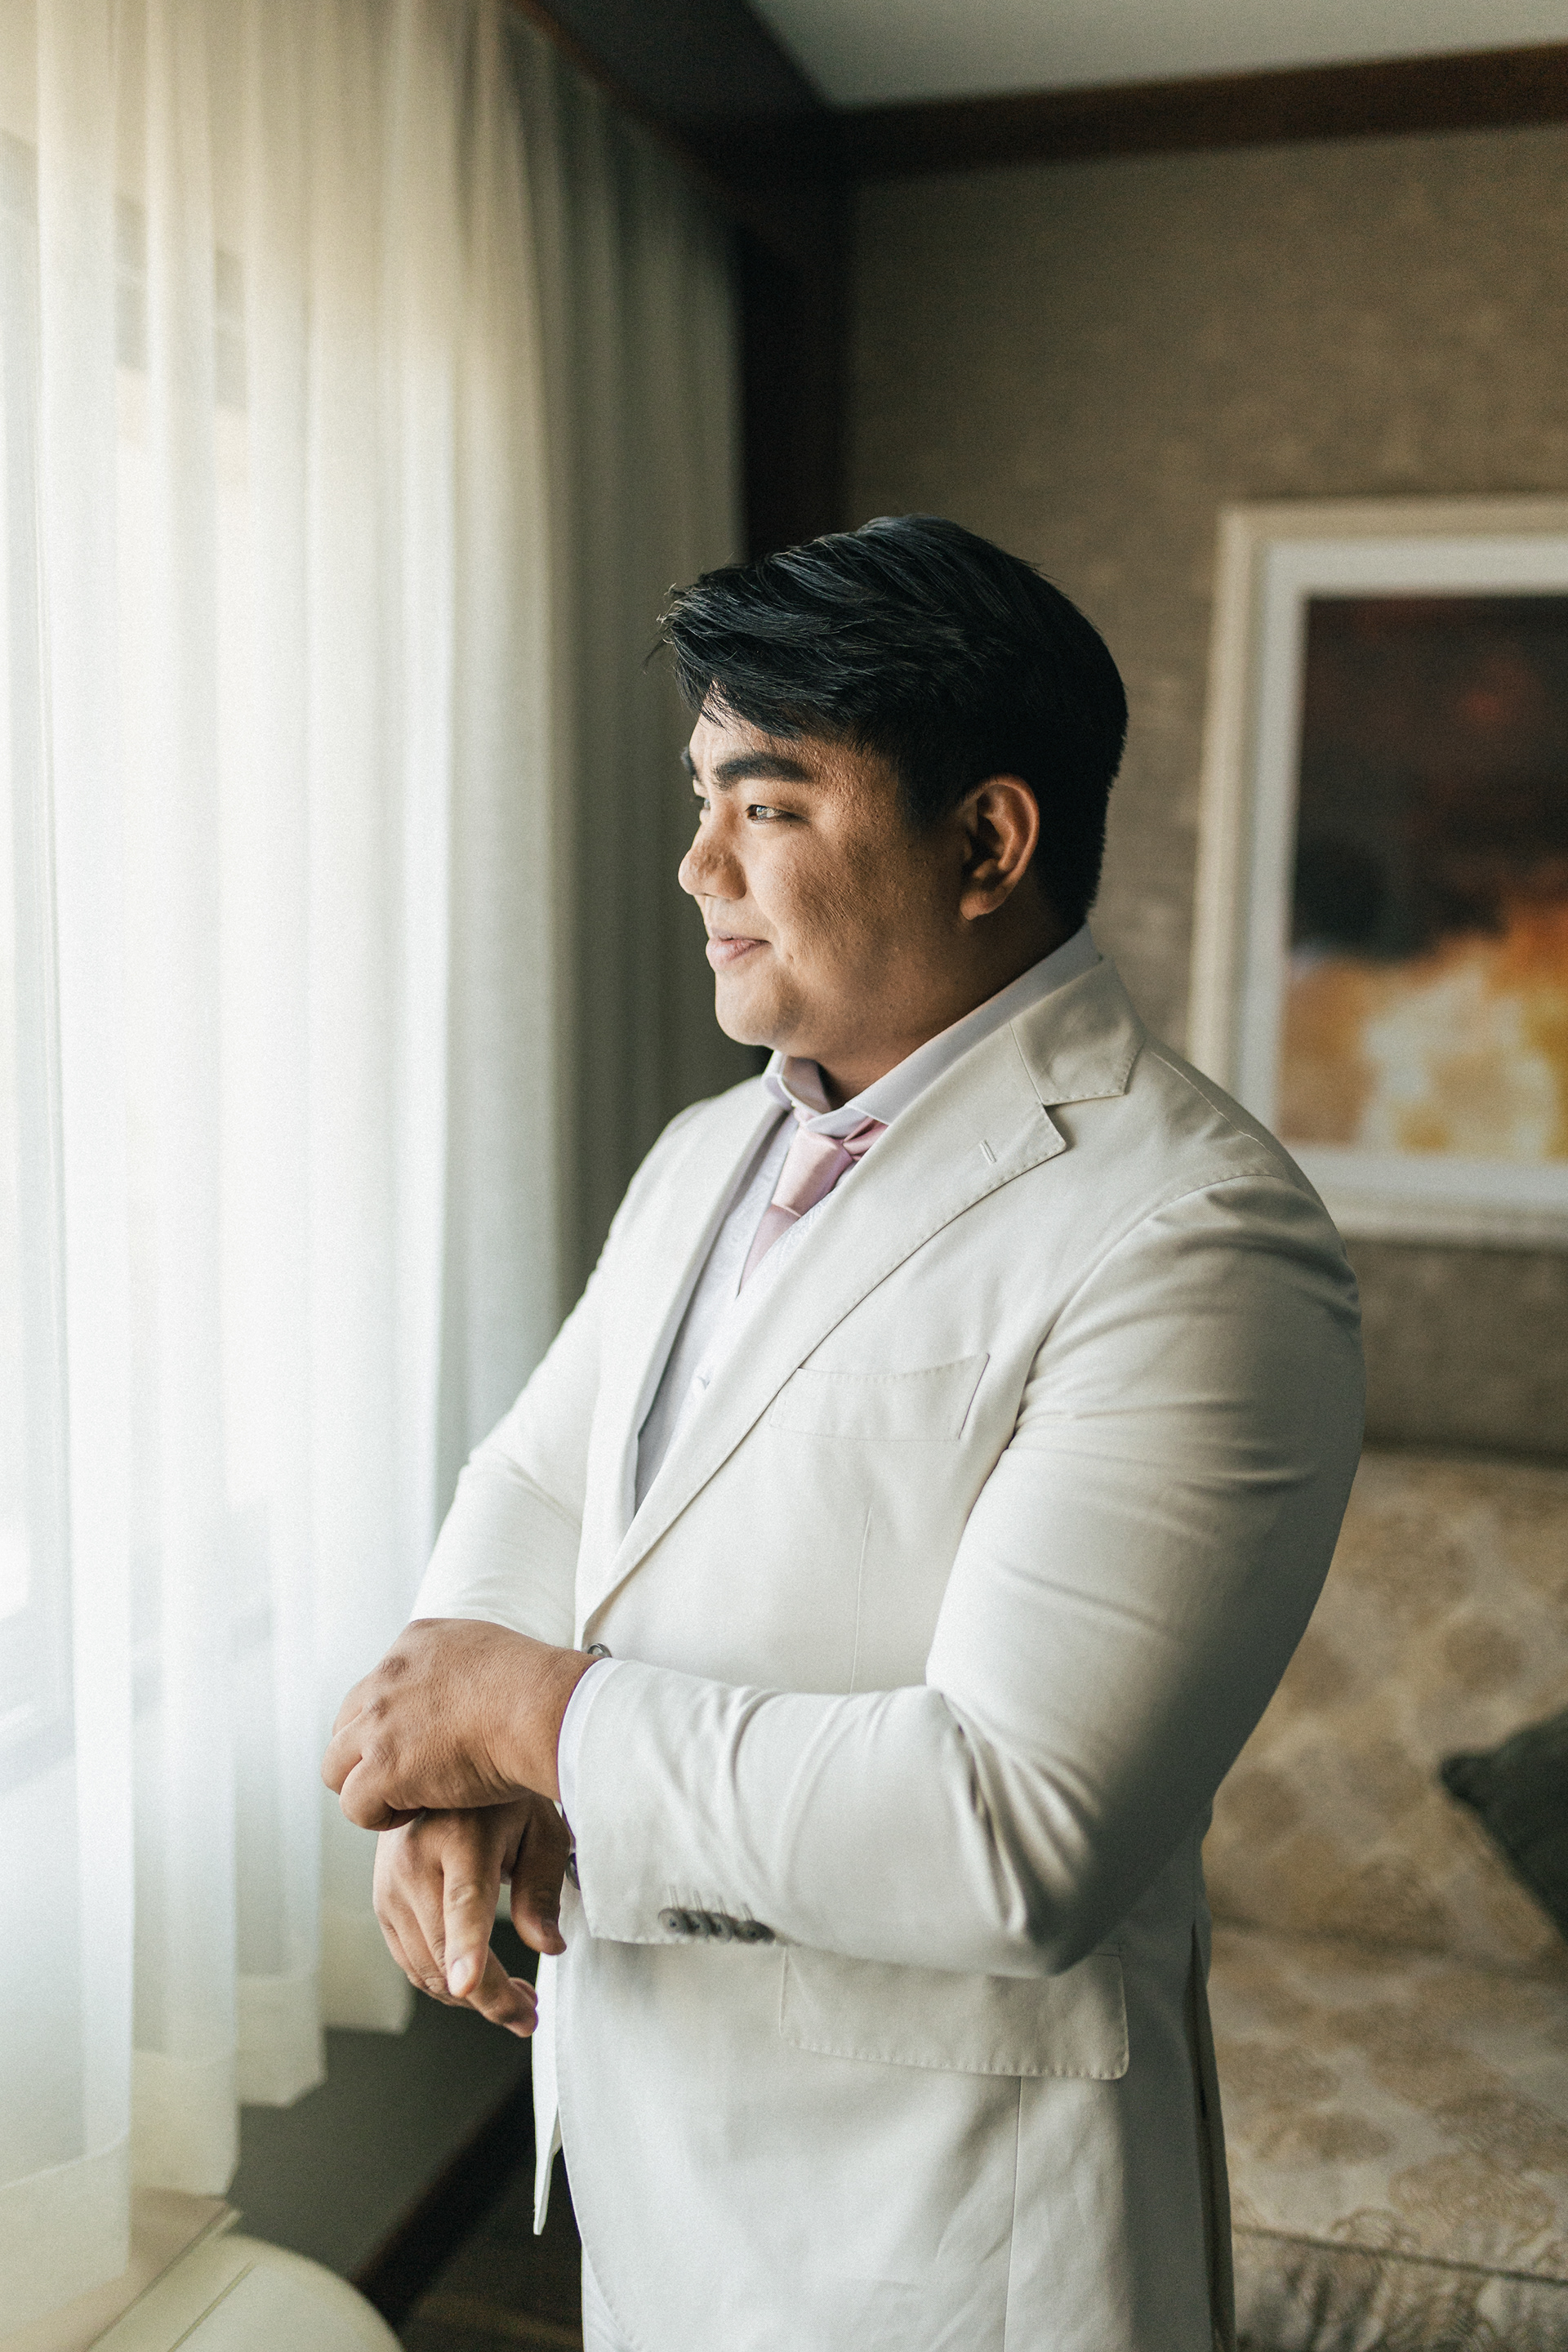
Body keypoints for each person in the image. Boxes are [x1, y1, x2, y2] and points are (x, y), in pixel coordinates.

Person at [324, 515, 1365, 2352]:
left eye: (769, 804)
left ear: (987, 843)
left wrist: (527, 1718)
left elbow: (1011, 1830)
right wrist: (457, 1777)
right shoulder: (707, 1151)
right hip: (648, 2160)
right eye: (702, 797)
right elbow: (547, 1480)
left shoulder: (1200, 1235)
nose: (696, 862)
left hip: (946, 2237)